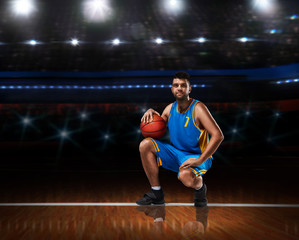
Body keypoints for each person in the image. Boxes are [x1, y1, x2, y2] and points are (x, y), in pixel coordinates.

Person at [136, 72, 224, 207]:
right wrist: (151, 112)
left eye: (183, 85)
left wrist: (200, 160)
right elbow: (155, 129)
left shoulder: (198, 108)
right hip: (176, 153)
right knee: (145, 144)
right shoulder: (169, 109)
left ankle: (200, 188)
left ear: (189, 89)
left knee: (186, 178)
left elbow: (218, 135)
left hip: (198, 155)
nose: (179, 88)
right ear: (172, 89)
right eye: (176, 85)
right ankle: (156, 193)